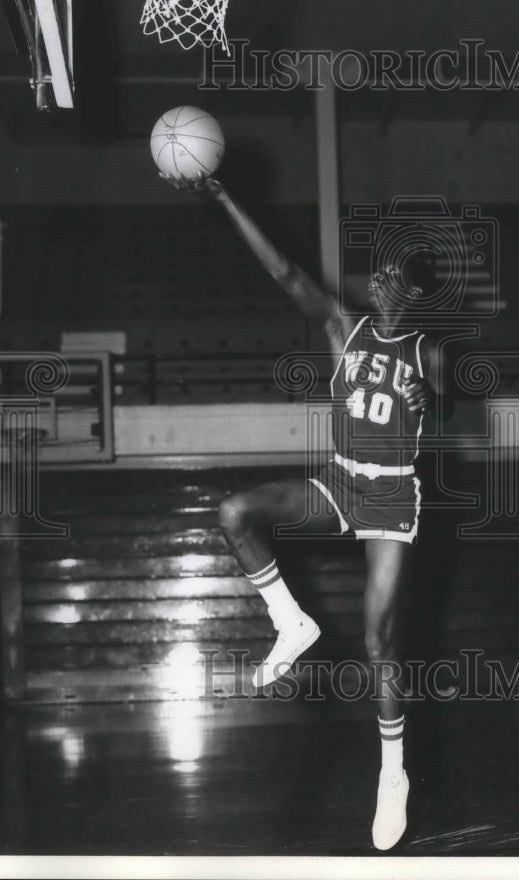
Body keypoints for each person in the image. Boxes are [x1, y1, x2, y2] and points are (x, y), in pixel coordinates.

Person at [162, 171, 445, 851]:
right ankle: (290, 622)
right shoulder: (342, 327)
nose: (374, 286)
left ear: (413, 294)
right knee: (234, 512)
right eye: (375, 276)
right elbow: (284, 270)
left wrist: (430, 370)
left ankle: (392, 773)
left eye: (390, 280)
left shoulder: (428, 352)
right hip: (340, 482)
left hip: (391, 498)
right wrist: (228, 194)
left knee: (380, 641)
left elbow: (454, 386)